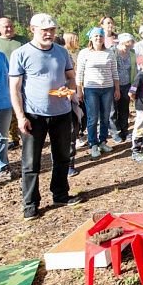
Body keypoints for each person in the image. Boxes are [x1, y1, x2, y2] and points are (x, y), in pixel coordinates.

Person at [9, 13, 82, 220]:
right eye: (44, 30)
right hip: (34, 115)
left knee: (62, 157)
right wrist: (21, 116)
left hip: (61, 112)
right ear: (32, 29)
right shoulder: (21, 54)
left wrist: (68, 91)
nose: (49, 34)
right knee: (31, 162)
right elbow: (14, 88)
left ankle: (60, 194)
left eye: (52, 30)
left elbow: (70, 78)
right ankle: (30, 204)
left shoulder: (61, 52)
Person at [76, 27, 120, 158]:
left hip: (108, 88)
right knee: (93, 118)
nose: (98, 38)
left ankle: (102, 142)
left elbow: (114, 72)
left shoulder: (109, 53)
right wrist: (79, 90)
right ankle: (93, 144)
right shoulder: (84, 53)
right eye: (96, 36)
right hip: (91, 89)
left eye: (100, 36)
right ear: (91, 38)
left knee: (105, 117)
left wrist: (117, 89)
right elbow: (79, 73)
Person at [0, 17, 28, 150]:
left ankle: (27, 134)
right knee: (9, 110)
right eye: (5, 27)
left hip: (23, 79)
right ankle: (12, 138)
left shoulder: (23, 40)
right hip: (3, 82)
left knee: (23, 108)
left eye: (10, 26)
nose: (9, 28)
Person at [56, 33, 83, 177]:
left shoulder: (66, 56)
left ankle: (69, 165)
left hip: (69, 101)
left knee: (72, 132)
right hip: (49, 106)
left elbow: (72, 77)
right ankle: (60, 165)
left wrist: (74, 92)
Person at [0, 33, 12, 182]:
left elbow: (10, 77)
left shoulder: (0, 56)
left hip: (5, 103)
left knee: (2, 137)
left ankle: (2, 167)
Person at [111, 33, 136, 143]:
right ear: (123, 42)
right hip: (112, 85)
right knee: (113, 110)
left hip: (127, 85)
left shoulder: (132, 54)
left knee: (124, 110)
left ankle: (124, 131)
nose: (132, 43)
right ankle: (114, 133)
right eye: (130, 41)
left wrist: (133, 87)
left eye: (132, 41)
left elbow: (135, 70)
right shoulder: (113, 52)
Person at [129, 56, 143, 162]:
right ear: (142, 64)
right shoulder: (140, 76)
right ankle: (136, 149)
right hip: (141, 107)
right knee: (140, 126)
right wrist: (138, 102)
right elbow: (131, 92)